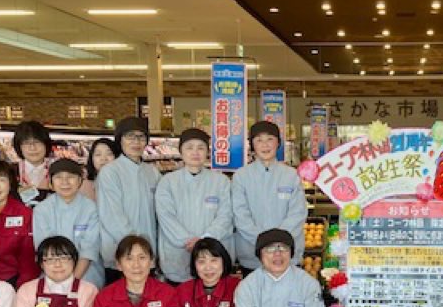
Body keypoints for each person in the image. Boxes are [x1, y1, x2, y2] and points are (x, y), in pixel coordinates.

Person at [156, 129, 234, 284]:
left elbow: (226, 215)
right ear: (181, 151)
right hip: (178, 254)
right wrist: (187, 240)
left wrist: (205, 240)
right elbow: (166, 217)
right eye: (189, 147)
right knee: (181, 295)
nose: (195, 152)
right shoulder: (168, 182)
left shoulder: (221, 181)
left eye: (201, 148)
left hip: (213, 255)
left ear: (207, 152)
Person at [232, 122, 306, 273]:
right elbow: (240, 214)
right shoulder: (241, 176)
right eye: (259, 140)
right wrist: (262, 242)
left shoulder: (291, 175)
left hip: (287, 254)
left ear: (278, 143)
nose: (265, 145)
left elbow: (298, 212)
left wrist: (279, 243)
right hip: (252, 253)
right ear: (252, 145)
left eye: (270, 139)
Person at [96, 117, 160, 283]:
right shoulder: (110, 172)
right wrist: (135, 249)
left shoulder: (152, 172)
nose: (136, 142)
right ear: (120, 140)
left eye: (141, 137)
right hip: (120, 253)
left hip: (147, 255)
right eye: (130, 136)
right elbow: (112, 216)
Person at [32, 158, 104, 290]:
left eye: (71, 177)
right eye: (59, 177)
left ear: (80, 181)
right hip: (53, 272)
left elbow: (89, 249)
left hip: (86, 273)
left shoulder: (91, 208)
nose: (65, 182)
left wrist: (73, 282)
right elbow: (44, 249)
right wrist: (61, 281)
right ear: (51, 183)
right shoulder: (42, 210)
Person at [12, 120, 53, 207]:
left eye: (37, 142)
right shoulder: (10, 172)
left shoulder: (57, 171)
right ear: (19, 146)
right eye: (26, 143)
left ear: (46, 144)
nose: (33, 148)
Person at [80, 137, 117, 202]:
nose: (103, 158)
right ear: (92, 159)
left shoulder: (125, 185)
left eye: (109, 154)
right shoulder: (85, 187)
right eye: (98, 154)